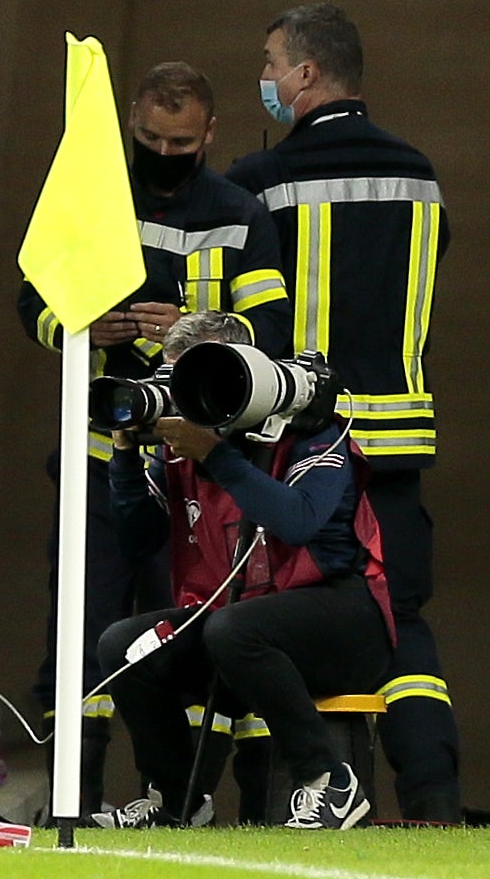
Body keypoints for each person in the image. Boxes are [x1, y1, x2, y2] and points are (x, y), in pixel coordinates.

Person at [17, 59, 290, 811]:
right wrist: (79, 325)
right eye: (148, 138)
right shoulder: (92, 204)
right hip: (99, 457)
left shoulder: (239, 212)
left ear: (209, 134)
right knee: (81, 628)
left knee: (193, 631)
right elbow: (29, 300)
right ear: (128, 125)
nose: (163, 156)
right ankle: (69, 797)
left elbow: (271, 328)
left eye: (179, 143)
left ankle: (181, 799)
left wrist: (194, 331)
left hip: (197, 466)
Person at [225, 2, 461, 823]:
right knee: (400, 619)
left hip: (306, 442)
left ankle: (284, 795)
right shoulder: (418, 173)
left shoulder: (264, 181)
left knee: (264, 608)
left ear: (305, 74)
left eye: (268, 62)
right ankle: (430, 795)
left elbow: (253, 321)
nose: (262, 78)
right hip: (399, 438)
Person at [95, 312, 392, 831]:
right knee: (123, 643)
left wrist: (217, 456)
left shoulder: (310, 430)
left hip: (343, 623)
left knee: (235, 628)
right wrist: (124, 456)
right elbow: (138, 541)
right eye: (170, 380)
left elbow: (297, 521)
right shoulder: (182, 447)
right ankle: (175, 802)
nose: (182, 395)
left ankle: (330, 783)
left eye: (195, 378)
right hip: (234, 629)